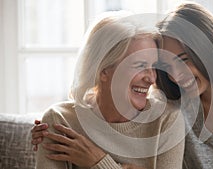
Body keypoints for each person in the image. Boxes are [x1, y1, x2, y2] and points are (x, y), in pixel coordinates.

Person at [32, 2, 213, 169]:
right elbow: (111, 98)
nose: (175, 75)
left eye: (183, 60)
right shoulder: (171, 107)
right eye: (166, 66)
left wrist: (98, 162)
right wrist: (47, 127)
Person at [33, 13, 185, 169]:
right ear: (103, 70)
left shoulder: (166, 120)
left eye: (154, 66)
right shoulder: (60, 120)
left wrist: (98, 162)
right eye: (140, 65)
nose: (152, 79)